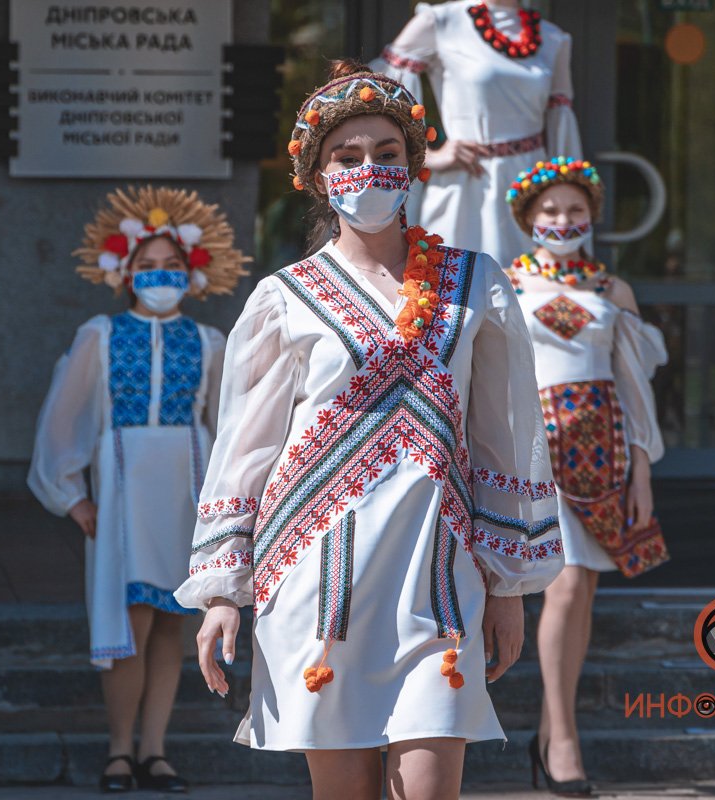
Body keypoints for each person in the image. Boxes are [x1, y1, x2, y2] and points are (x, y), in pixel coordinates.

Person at [175, 61, 565, 800]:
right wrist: (225, 587)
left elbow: (503, 438)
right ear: (318, 176)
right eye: (347, 157)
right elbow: (246, 446)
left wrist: (508, 581)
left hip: (437, 574)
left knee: (430, 789)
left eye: (387, 154)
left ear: (413, 166)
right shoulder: (282, 297)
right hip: (323, 578)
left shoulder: (474, 282)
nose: (368, 171)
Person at [29, 185, 248, 793]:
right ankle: (120, 748)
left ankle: (155, 749)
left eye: (171, 266)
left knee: (173, 623)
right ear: (124, 273)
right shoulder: (100, 334)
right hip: (123, 493)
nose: (160, 276)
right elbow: (63, 416)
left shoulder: (209, 343)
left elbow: (225, 428)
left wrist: (227, 510)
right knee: (130, 624)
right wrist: (71, 495)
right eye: (147, 267)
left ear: (192, 273)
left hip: (186, 493)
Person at [504, 157, 669, 795]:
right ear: (527, 218)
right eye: (549, 210)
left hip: (603, 451)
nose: (562, 220)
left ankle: (550, 737)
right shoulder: (509, 284)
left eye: (574, 209)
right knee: (565, 588)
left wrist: (643, 469)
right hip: (537, 452)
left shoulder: (610, 289)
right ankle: (565, 744)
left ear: (592, 216)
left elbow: (636, 389)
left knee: (584, 596)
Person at [374, 0, 582, 267]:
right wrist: (426, 155)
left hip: (531, 186)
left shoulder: (554, 38)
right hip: (465, 184)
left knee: (528, 285)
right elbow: (379, 92)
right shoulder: (441, 21)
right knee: (450, 286)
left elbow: (560, 125)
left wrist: (565, 194)